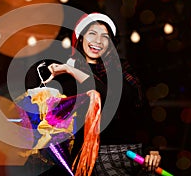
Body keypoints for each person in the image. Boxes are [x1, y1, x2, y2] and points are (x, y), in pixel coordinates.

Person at [44, 12, 161, 175]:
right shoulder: (66, 80)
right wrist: (71, 71)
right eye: (92, 33)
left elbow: (136, 108)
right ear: (80, 38)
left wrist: (152, 149)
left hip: (136, 153)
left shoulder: (121, 69)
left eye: (105, 36)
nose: (98, 41)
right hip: (96, 158)